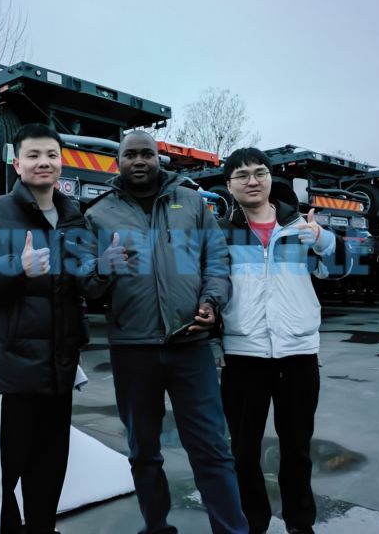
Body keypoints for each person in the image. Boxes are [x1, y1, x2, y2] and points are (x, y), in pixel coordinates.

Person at [79, 130, 248, 534]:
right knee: (143, 452)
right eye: (130, 155)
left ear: (159, 159)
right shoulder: (98, 215)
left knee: (211, 448)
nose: (139, 161)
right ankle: (156, 528)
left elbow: (217, 261)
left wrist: (212, 303)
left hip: (190, 346)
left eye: (147, 154)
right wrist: (102, 265)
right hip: (132, 350)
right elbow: (84, 283)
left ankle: (232, 530)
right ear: (117, 162)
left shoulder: (191, 203)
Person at [0, 123, 87, 534]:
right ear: (17, 163)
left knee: (48, 475)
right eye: (33, 155)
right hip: (11, 374)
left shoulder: (71, 217)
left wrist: (106, 266)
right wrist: (17, 267)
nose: (43, 162)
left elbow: (80, 284)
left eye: (51, 155)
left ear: (61, 162)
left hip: (58, 375)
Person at [218, 147, 344, 534]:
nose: (252, 181)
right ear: (229, 185)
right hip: (243, 356)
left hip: (298, 355)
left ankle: (300, 524)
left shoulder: (299, 227)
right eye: (242, 176)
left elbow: (338, 271)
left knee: (297, 449)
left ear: (271, 178)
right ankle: (252, 524)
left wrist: (322, 238)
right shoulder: (222, 233)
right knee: (243, 451)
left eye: (259, 173)